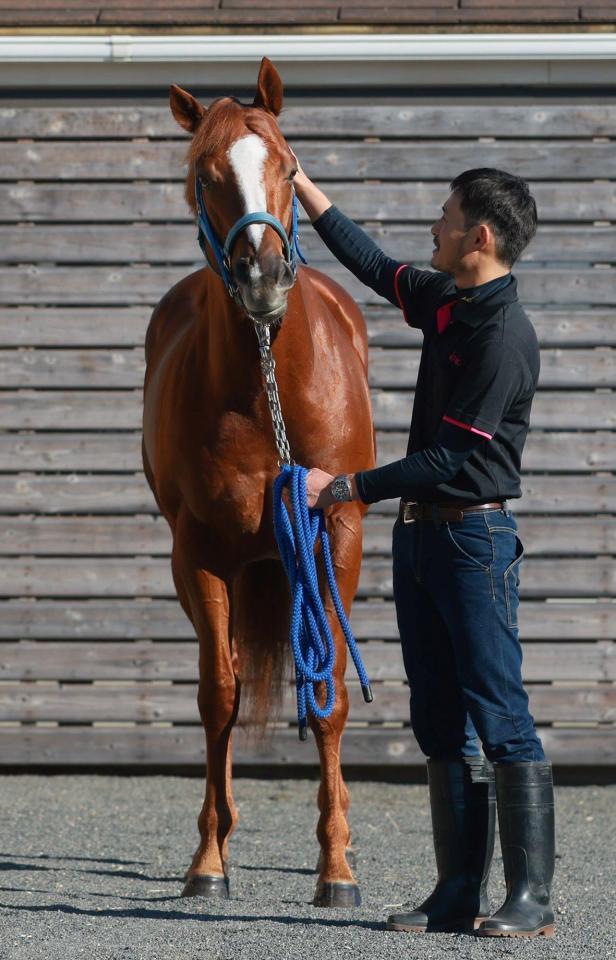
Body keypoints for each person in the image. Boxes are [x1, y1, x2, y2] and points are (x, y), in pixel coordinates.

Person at [291, 162, 556, 938]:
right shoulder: (450, 300)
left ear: (478, 236)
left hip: (474, 539)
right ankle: (456, 892)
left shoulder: (504, 336)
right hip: (423, 539)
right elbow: (373, 264)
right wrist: (302, 183)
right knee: (439, 719)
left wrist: (340, 490)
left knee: (500, 715)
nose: (433, 228)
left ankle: (531, 898)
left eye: (445, 218)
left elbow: (448, 459)